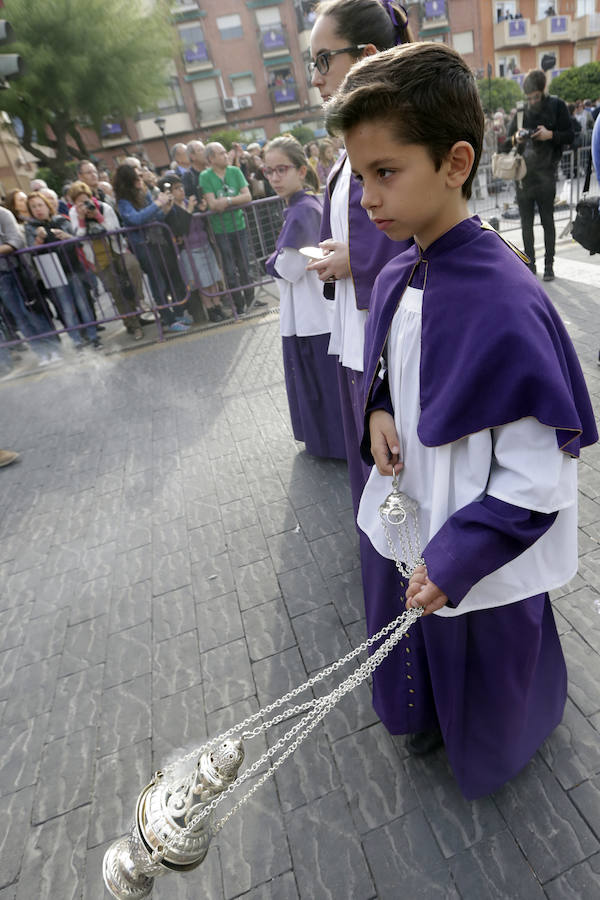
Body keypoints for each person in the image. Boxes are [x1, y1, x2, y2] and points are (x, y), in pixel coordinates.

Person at [325, 41, 597, 799]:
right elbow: (391, 366)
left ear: (454, 162)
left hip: (469, 537)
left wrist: (462, 554)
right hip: (414, 505)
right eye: (361, 174)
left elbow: (539, 470)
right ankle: (426, 716)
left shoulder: (505, 303)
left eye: (386, 172)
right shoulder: (402, 265)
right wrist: (377, 405)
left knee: (476, 639)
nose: (368, 198)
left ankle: (487, 737)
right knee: (412, 630)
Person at [305, 0, 413, 519]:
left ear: (367, 55)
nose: (317, 78)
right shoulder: (354, 143)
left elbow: (427, 232)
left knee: (396, 480)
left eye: (324, 60)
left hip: (391, 339)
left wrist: (359, 260)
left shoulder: (403, 136)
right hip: (359, 332)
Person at [264, 136, 346, 459]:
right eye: (268, 171)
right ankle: (326, 443)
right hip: (307, 312)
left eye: (281, 169)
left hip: (313, 315)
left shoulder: (303, 210)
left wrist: (271, 261)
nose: (274, 178)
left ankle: (334, 446)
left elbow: (288, 268)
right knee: (318, 383)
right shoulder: (302, 206)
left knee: (323, 384)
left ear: (301, 170)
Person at [503, 69, 573, 281]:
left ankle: (549, 265)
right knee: (526, 224)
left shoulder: (557, 105)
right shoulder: (521, 112)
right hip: (524, 178)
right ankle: (530, 264)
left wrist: (550, 134)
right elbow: (506, 144)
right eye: (529, 97)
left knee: (547, 222)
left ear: (543, 91)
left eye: (536, 96)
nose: (532, 101)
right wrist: (517, 138)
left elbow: (571, 135)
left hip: (547, 175)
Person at [113, 164, 190, 333]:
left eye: (141, 176)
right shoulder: (124, 201)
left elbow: (156, 217)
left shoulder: (145, 192)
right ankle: (168, 319)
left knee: (171, 279)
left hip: (159, 241)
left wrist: (166, 208)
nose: (141, 179)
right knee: (158, 283)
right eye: (137, 177)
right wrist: (157, 204)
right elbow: (135, 219)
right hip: (143, 245)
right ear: (128, 180)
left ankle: (177, 314)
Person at [68, 180, 144, 340]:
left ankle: (139, 305)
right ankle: (133, 324)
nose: (83, 205)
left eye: (85, 200)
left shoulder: (104, 207)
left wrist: (98, 216)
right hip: (97, 256)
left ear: (91, 197)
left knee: (133, 268)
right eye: (78, 202)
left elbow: (114, 230)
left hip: (116, 250)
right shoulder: (74, 213)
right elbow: (79, 236)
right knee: (116, 289)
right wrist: (82, 219)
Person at [25, 191, 101, 350]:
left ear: (48, 206)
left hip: (71, 266)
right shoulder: (31, 227)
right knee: (66, 307)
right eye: (33, 207)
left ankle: (93, 337)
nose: (38, 209)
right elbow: (31, 250)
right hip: (51, 269)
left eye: (40, 205)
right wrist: (39, 239)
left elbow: (77, 239)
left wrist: (66, 236)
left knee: (82, 304)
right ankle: (77, 341)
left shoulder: (61, 220)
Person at [200, 142, 266, 315]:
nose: (226, 155)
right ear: (211, 158)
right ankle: (238, 305)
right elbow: (213, 204)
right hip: (221, 230)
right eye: (221, 153)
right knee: (229, 268)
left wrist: (228, 201)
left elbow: (247, 196)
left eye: (225, 152)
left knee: (244, 265)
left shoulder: (235, 171)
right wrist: (230, 200)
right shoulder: (205, 176)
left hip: (239, 225)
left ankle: (251, 299)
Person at [157, 175, 230, 323]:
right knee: (202, 282)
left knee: (213, 279)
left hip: (204, 244)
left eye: (181, 187)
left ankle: (218, 306)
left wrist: (202, 210)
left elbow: (202, 222)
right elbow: (179, 229)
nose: (181, 190)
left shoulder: (189, 202)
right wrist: (189, 209)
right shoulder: (171, 210)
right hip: (190, 250)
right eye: (176, 189)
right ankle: (210, 310)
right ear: (169, 193)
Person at [0, 205, 61, 370]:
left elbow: (15, 242)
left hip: (17, 271)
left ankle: (53, 348)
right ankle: (41, 351)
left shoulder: (4, 214)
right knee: (19, 317)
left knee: (32, 311)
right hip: (1, 279)